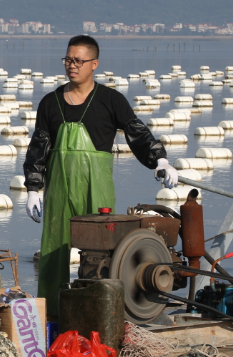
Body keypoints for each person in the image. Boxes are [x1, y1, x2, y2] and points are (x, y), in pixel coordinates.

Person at [22, 35, 179, 318]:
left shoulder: (110, 100)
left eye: (79, 60)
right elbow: (38, 147)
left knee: (102, 255)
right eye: (68, 59)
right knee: (52, 255)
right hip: (58, 191)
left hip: (98, 189)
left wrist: (161, 161)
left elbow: (137, 133)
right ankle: (52, 319)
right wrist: (33, 188)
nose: (72, 65)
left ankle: (100, 318)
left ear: (94, 64)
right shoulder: (50, 102)